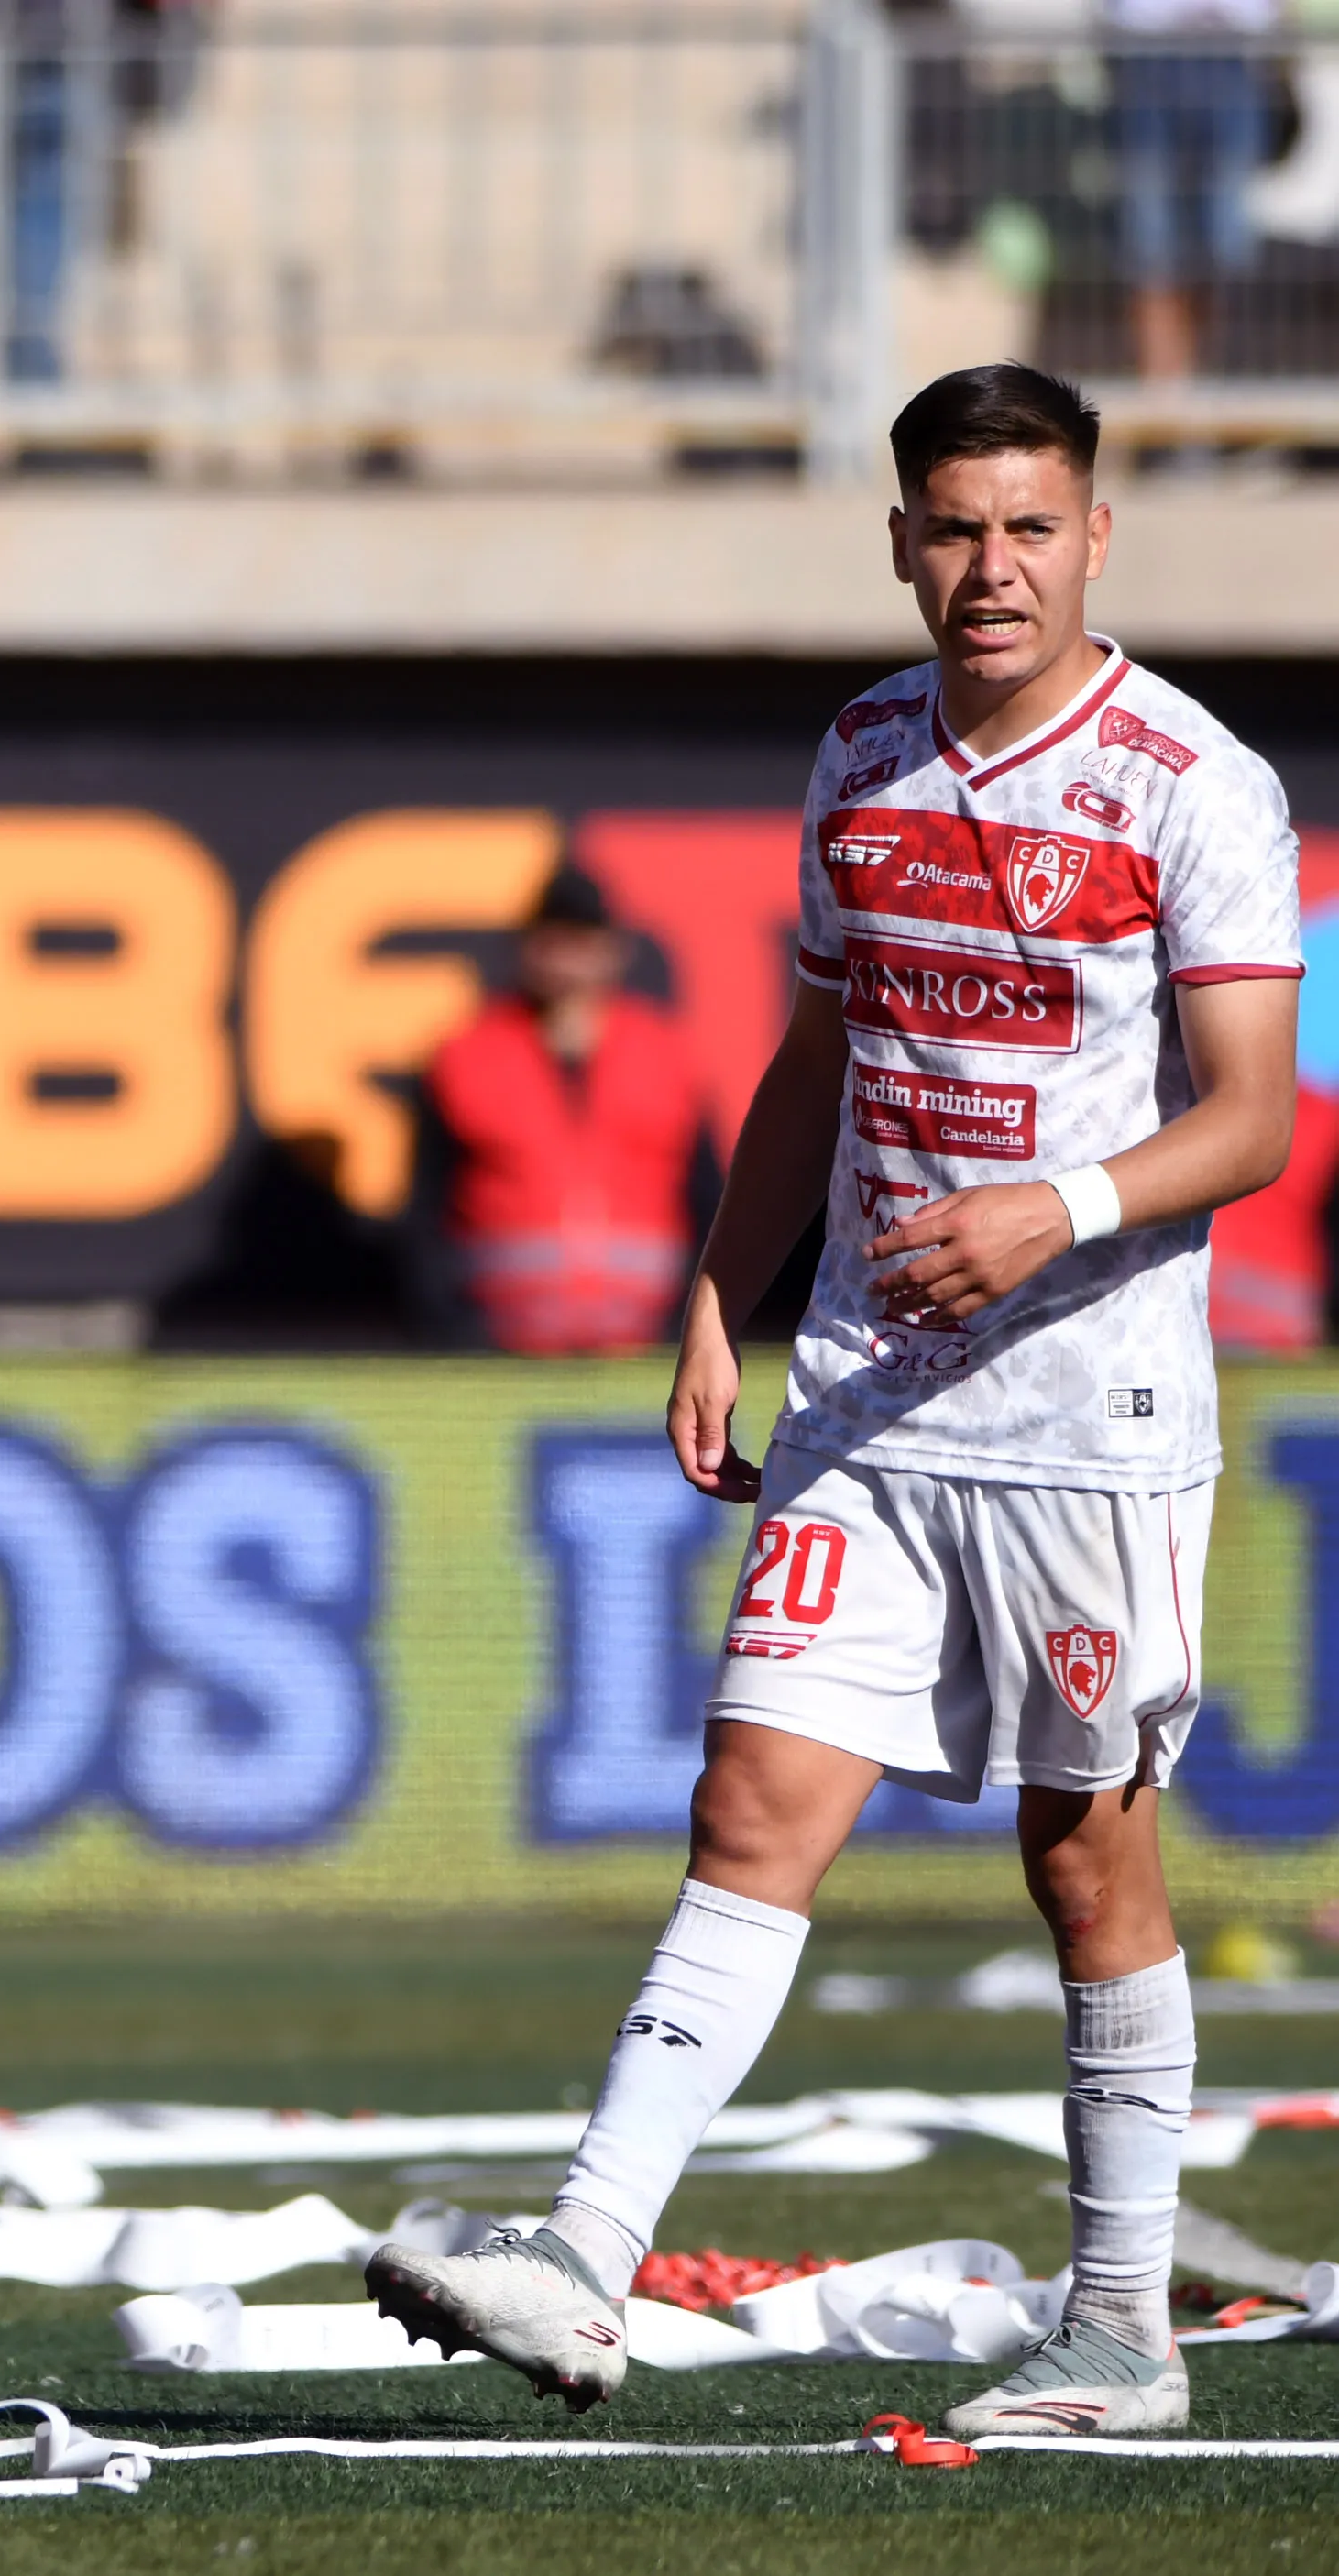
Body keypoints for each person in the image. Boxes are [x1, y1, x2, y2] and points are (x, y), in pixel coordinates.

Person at [364, 363, 1301, 2440]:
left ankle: (1124, 2325)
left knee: (1087, 1856)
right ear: (899, 540)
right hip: (873, 1389)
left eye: (1031, 526)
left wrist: (1054, 1208)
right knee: (752, 1806)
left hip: (1091, 1412)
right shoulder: (863, 755)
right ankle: (586, 2261)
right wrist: (724, 1294)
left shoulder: (1186, 783)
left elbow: (1246, 1122)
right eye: (955, 527)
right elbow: (820, 1059)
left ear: (1094, 538)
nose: (993, 568)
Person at [408, 867, 719, 1356]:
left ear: (614, 950)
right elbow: (426, 1211)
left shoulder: (666, 1054)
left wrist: (691, 1329)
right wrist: (455, 1332)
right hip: (502, 1347)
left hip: (647, 1347)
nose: (566, 958)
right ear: (526, 947)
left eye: (581, 939)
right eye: (551, 939)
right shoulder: (466, 1055)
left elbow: (709, 1203)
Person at [1106, 0, 1276, 384]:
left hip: (1233, 55)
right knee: (1151, 240)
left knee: (1225, 243)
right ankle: (1164, 399)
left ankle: (1205, 398)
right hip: (1147, 55)